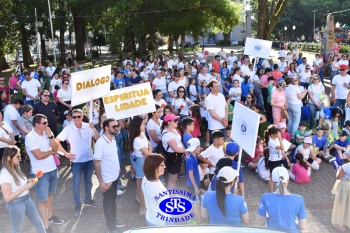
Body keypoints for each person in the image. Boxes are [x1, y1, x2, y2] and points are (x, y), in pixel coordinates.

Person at [55, 109, 100, 216]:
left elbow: (98, 138)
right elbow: (56, 141)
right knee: (76, 183)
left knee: (88, 181)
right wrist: (65, 154)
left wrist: (93, 127)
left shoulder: (88, 126)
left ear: (82, 116)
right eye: (74, 117)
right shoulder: (68, 129)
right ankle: (77, 205)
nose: (76, 119)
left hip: (89, 159)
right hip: (76, 161)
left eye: (78, 117)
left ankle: (88, 200)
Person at [25, 114, 63, 232]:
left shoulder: (47, 134)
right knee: (43, 200)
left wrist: (51, 136)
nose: (47, 125)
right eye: (45, 123)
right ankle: (45, 226)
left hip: (52, 169)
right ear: (37, 125)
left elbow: (56, 149)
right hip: (41, 173)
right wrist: (51, 152)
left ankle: (50, 217)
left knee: (49, 195)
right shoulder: (30, 137)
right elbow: (39, 155)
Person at [0, 146, 46, 233]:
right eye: (17, 156)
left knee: (38, 222)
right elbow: (7, 198)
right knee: (17, 230)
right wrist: (26, 187)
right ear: (9, 158)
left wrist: (28, 180)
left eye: (20, 156)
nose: (20, 158)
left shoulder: (15, 168)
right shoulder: (5, 175)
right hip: (15, 203)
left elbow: (18, 183)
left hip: (26, 199)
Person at [93, 118, 124, 233]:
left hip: (115, 176)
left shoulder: (113, 139)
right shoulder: (100, 143)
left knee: (113, 200)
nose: (116, 128)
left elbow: (113, 156)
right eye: (114, 126)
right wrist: (101, 181)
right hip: (107, 179)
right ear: (106, 128)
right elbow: (96, 163)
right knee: (108, 201)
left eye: (117, 126)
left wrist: (118, 168)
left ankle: (114, 220)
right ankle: (110, 227)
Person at [258, 166, 307, 233]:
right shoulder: (299, 199)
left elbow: (261, 223)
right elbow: (303, 226)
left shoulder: (265, 197)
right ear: (288, 180)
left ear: (273, 182)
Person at [129, 116, 153, 215]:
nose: (145, 125)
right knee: (141, 184)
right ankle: (142, 208)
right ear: (138, 126)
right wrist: (149, 150)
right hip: (141, 162)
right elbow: (148, 153)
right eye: (143, 124)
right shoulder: (137, 140)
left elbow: (149, 146)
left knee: (141, 184)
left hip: (144, 160)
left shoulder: (142, 134)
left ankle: (139, 199)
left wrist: (149, 149)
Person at [142, 154, 170, 226]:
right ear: (155, 167)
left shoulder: (145, 179)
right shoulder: (157, 188)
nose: (165, 167)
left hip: (150, 218)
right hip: (161, 223)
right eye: (162, 165)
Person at [160, 114, 186, 190]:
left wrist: (184, 150)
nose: (177, 121)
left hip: (177, 156)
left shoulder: (173, 129)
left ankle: (172, 193)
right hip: (173, 157)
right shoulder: (167, 134)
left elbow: (179, 141)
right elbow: (176, 149)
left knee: (174, 179)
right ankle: (170, 196)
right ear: (168, 122)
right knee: (172, 179)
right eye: (175, 120)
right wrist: (186, 150)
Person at [264, 124, 290, 192]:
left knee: (280, 176)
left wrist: (286, 158)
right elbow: (282, 147)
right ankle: (271, 192)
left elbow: (281, 151)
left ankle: (280, 190)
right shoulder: (271, 142)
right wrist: (280, 138)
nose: (278, 134)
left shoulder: (276, 139)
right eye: (277, 133)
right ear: (272, 134)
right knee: (272, 179)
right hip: (273, 162)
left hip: (278, 160)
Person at [331, 148, 350, 232]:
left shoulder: (345, 167)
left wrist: (338, 171)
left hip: (345, 186)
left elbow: (338, 177)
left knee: (342, 204)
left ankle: (340, 223)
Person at [185, 138, 202, 224]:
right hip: (193, 186)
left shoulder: (192, 157)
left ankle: (190, 219)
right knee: (196, 204)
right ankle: (199, 223)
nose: (200, 148)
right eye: (198, 146)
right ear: (195, 148)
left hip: (191, 185)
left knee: (192, 202)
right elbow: (190, 175)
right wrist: (196, 187)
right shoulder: (191, 159)